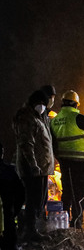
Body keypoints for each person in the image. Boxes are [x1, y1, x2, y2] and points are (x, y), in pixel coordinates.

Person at [49, 90, 84, 228]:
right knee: (81, 192)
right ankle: (77, 221)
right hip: (80, 162)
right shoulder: (77, 117)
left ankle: (63, 221)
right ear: (76, 104)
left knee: (67, 191)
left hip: (64, 161)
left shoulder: (54, 121)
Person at [13, 90, 53, 240]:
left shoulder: (38, 117)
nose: (43, 107)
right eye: (41, 104)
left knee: (40, 200)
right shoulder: (26, 118)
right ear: (35, 103)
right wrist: (33, 164)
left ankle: (32, 229)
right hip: (33, 169)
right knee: (33, 200)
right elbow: (26, 143)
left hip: (41, 168)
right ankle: (29, 231)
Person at [0, 142, 25, 250]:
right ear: (2, 153)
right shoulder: (9, 171)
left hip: (6, 220)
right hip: (7, 222)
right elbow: (21, 194)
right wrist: (13, 213)